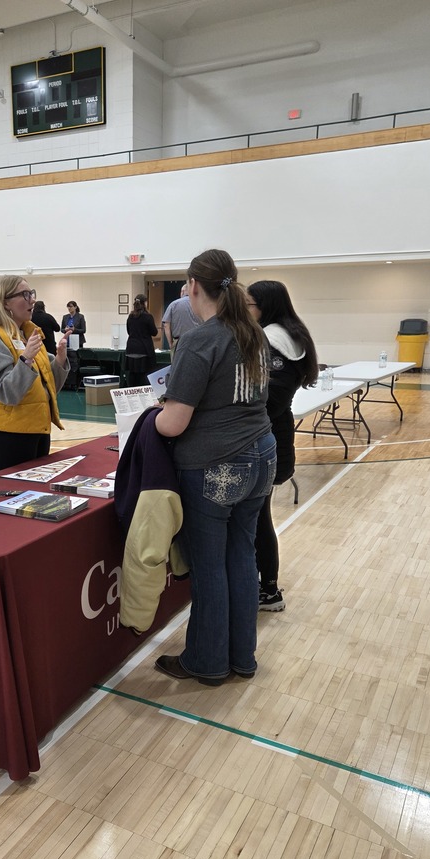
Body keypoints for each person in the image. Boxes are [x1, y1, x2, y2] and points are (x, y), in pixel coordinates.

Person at [154, 249, 276, 685]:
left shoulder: (201, 340)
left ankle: (206, 661)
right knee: (242, 556)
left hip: (216, 465)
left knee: (209, 567)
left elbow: (173, 422)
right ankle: (241, 657)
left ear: (192, 288)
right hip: (262, 455)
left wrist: (153, 414)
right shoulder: (254, 334)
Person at [246, 280, 319, 611]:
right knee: (260, 515)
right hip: (277, 433)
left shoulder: (273, 340)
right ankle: (264, 585)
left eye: (250, 304)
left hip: (268, 436)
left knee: (260, 518)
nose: (247, 310)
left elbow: (270, 400)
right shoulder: (290, 335)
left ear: (266, 305)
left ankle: (269, 590)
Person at [0, 276, 69, 470]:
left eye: (32, 293)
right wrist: (26, 359)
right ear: (5, 302)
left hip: (37, 428)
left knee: (35, 495)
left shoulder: (27, 335)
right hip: (11, 435)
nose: (32, 299)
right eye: (25, 294)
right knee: (14, 495)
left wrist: (60, 360)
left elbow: (49, 388)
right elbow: (7, 394)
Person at [125, 294, 157, 385]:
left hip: (131, 349)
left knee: (132, 374)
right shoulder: (148, 317)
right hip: (144, 350)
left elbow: (128, 331)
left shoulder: (130, 317)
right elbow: (154, 332)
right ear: (145, 303)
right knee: (144, 375)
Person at [162, 283, 200, 354]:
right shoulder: (199, 304)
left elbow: (166, 325)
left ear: (182, 291)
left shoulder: (173, 305)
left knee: (177, 364)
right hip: (197, 341)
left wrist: (170, 343)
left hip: (178, 342)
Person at [60, 301, 86, 390]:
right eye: (68, 307)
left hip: (77, 341)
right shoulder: (65, 317)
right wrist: (66, 329)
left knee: (75, 362)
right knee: (67, 361)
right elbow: (61, 329)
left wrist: (74, 329)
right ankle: (66, 382)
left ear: (75, 307)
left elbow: (83, 330)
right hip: (68, 342)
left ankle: (75, 382)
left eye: (70, 307)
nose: (69, 309)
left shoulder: (80, 317)